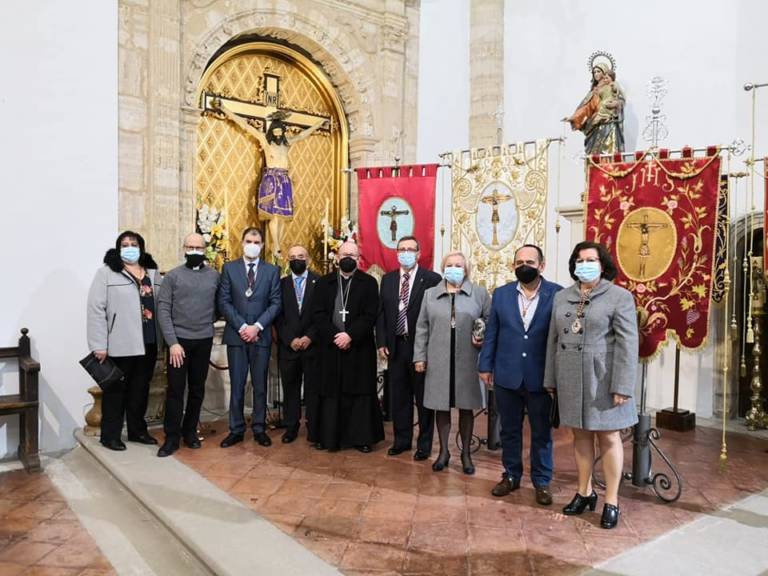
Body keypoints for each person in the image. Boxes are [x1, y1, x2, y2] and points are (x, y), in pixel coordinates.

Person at [543, 241, 639, 529]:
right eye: (579, 259)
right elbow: (553, 340)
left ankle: (611, 501)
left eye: (591, 259)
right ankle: (584, 492)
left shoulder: (619, 296)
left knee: (609, 437)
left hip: (604, 379)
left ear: (602, 264)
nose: (584, 264)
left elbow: (627, 343)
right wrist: (551, 378)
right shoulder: (562, 297)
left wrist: (623, 384)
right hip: (570, 375)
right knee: (580, 436)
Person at [478, 245, 562, 505]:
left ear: (542, 265)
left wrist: (556, 377)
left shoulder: (557, 294)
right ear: (513, 266)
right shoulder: (501, 294)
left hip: (541, 378)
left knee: (541, 433)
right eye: (519, 262)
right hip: (507, 374)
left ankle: (542, 481)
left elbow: (559, 338)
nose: (524, 265)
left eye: (530, 261)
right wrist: (485, 365)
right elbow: (492, 332)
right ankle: (511, 475)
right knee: (510, 431)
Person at [213, 100, 327, 258]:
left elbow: (302, 135)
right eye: (276, 130)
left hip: (284, 180)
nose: (279, 133)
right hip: (271, 179)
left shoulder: (287, 144)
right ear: (272, 130)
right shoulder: (266, 142)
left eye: (281, 130)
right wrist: (225, 109)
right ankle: (277, 246)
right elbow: (246, 126)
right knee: (274, 215)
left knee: (282, 217)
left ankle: (276, 245)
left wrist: (318, 125)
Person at [413, 252, 491, 475]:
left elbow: (490, 321)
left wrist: (481, 334)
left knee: (466, 407)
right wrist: (420, 357)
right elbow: (422, 328)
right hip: (438, 358)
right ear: (443, 268)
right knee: (441, 406)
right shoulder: (430, 294)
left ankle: (466, 453)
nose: (454, 269)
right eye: (449, 265)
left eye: (458, 265)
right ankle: (444, 452)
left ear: (466, 269)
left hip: (468, 358)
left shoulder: (479, 293)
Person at [87, 231, 162, 451]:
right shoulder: (107, 273)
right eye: (125, 244)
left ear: (142, 247)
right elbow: (95, 309)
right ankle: (110, 436)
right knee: (116, 391)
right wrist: (98, 344)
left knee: (140, 389)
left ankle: (137, 431)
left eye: (134, 244)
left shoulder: (152, 273)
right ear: (119, 249)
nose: (130, 248)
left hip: (148, 341)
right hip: (120, 343)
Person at [312, 241, 384, 452]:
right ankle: (329, 438)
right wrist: (336, 335)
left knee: (359, 393)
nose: (348, 258)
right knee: (331, 393)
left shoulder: (369, 283)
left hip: (359, 347)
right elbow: (318, 314)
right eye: (344, 254)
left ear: (358, 258)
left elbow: (370, 314)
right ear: (337, 257)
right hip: (330, 347)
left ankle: (361, 438)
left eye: (352, 255)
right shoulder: (324, 283)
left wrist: (350, 335)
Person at [376, 236, 442, 460]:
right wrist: (382, 341)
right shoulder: (388, 279)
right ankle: (401, 441)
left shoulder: (432, 279)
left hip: (421, 348)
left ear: (418, 252)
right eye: (401, 249)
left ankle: (424, 444)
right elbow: (382, 313)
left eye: (410, 249)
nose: (405, 252)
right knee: (399, 398)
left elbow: (436, 315)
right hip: (396, 346)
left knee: (423, 398)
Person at [155, 233, 219, 457]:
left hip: (203, 340)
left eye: (198, 247)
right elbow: (163, 311)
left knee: (197, 389)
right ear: (183, 248)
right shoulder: (172, 276)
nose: (194, 251)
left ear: (205, 250)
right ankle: (171, 437)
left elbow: (219, 305)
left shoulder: (214, 276)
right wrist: (172, 343)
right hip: (178, 343)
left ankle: (190, 431)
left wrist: (206, 324)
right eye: (190, 247)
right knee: (175, 390)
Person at [217, 227, 282, 448]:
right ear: (242, 243)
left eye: (256, 242)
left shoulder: (272, 270)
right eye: (248, 241)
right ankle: (235, 429)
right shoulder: (229, 268)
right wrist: (243, 326)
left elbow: (276, 303)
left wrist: (257, 326)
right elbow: (224, 302)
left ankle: (259, 427)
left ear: (262, 245)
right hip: (237, 335)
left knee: (260, 384)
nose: (252, 245)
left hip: (261, 336)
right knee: (237, 384)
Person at [275, 244, 320, 444]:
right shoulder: (281, 284)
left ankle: (313, 427)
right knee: (290, 388)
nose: (297, 260)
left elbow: (322, 315)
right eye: (292, 257)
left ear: (308, 259)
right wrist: (290, 339)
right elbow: (278, 316)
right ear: (288, 260)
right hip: (289, 347)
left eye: (300, 256)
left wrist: (309, 337)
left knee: (313, 388)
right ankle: (291, 427)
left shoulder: (319, 282)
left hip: (312, 346)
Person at [565, 60, 625, 155]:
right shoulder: (594, 91)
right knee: (594, 155)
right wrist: (574, 117)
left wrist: (616, 104)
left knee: (609, 154)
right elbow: (586, 108)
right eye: (594, 72)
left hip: (609, 124)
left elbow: (621, 99)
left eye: (598, 71)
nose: (596, 74)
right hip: (595, 125)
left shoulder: (612, 85)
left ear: (604, 72)